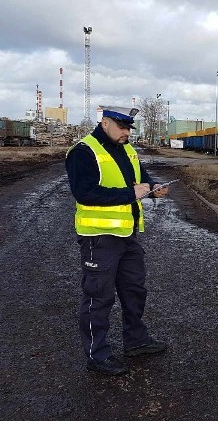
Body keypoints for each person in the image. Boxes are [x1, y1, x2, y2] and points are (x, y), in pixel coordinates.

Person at [65, 106, 169, 375]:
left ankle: (136, 341)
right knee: (98, 298)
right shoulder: (83, 152)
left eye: (129, 129)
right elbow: (84, 193)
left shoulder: (127, 149)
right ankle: (96, 355)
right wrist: (129, 194)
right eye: (122, 128)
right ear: (105, 123)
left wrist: (154, 187)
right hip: (99, 239)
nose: (126, 133)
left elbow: (141, 179)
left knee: (134, 290)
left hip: (127, 236)